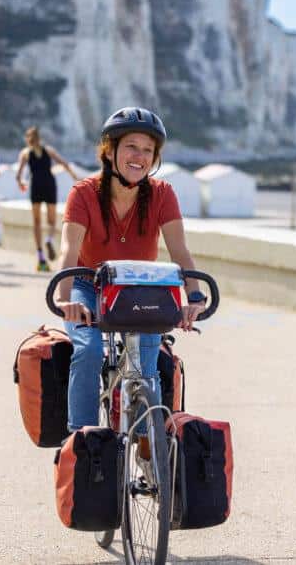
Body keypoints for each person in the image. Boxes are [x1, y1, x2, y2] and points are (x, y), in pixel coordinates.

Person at [54, 107, 208, 431]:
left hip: (139, 287)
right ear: (110, 151)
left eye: (148, 150)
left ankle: (144, 447)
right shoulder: (83, 193)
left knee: (145, 367)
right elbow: (68, 253)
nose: (139, 157)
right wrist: (64, 300)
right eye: (131, 147)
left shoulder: (162, 194)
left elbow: (180, 251)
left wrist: (195, 295)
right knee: (89, 350)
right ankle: (83, 442)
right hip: (88, 284)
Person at [15, 126, 79, 272]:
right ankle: (49, 239)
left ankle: (40, 257)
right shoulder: (48, 150)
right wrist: (75, 177)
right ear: (39, 138)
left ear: (28, 139)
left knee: (36, 222)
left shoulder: (25, 153)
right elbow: (63, 163)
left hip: (36, 186)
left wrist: (21, 184)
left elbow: (18, 175)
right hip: (49, 184)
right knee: (51, 221)